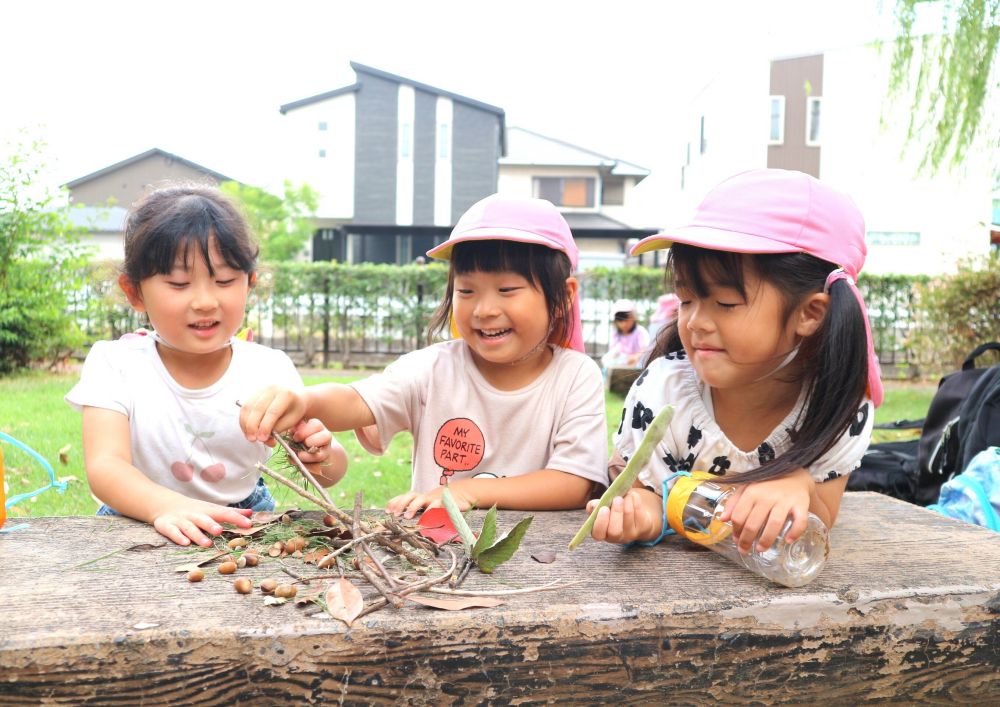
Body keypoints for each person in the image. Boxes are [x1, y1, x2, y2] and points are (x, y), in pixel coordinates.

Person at [240, 194, 609, 518]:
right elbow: (358, 400)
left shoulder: (575, 375)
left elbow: (573, 482)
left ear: (563, 297)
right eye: (466, 291)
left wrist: (465, 491)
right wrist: (305, 401)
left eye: (507, 289)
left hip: (543, 561)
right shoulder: (433, 368)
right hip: (437, 559)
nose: (484, 309)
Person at [588, 168, 882, 554]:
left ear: (810, 314)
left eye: (725, 303)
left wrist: (799, 485)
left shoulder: (836, 407)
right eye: (687, 300)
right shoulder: (664, 395)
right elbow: (648, 492)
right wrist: (641, 514)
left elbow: (824, 515)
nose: (694, 322)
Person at [65, 184, 347, 548]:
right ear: (134, 292)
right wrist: (166, 506)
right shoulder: (115, 363)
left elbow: (331, 472)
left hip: (241, 518)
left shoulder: (269, 369)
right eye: (179, 284)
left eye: (225, 280)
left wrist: (320, 454)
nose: (204, 301)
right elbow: (106, 468)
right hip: (137, 515)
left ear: (249, 283)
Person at [600, 299, 651, 369]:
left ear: (633, 318)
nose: (624, 324)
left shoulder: (640, 332)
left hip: (636, 365)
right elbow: (613, 352)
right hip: (620, 364)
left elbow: (646, 349)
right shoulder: (616, 334)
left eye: (627, 320)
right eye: (620, 320)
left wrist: (636, 356)